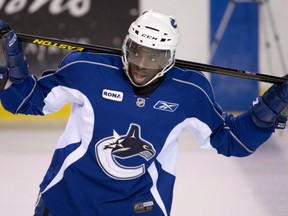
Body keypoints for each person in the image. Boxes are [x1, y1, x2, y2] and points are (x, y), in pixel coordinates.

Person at [0, 10, 287, 216]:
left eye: (154, 57)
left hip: (138, 208)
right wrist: (15, 72)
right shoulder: (87, 69)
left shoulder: (190, 91)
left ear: (170, 58)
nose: (141, 65)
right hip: (66, 202)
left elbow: (232, 141)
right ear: (126, 46)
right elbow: (26, 101)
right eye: (136, 52)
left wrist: (272, 105)